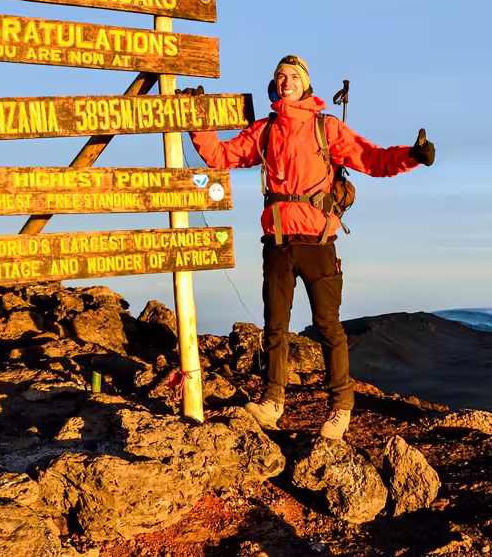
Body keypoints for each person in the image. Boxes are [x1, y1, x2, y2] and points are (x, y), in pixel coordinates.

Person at [184, 54, 434, 440]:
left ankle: (340, 407)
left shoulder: (325, 127)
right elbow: (224, 156)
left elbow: (372, 158)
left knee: (329, 327)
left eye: (293, 76)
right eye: (280, 76)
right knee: (275, 327)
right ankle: (272, 401)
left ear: (305, 84)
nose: (286, 81)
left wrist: (411, 157)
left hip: (318, 242)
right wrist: (198, 124)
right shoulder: (265, 131)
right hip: (278, 243)